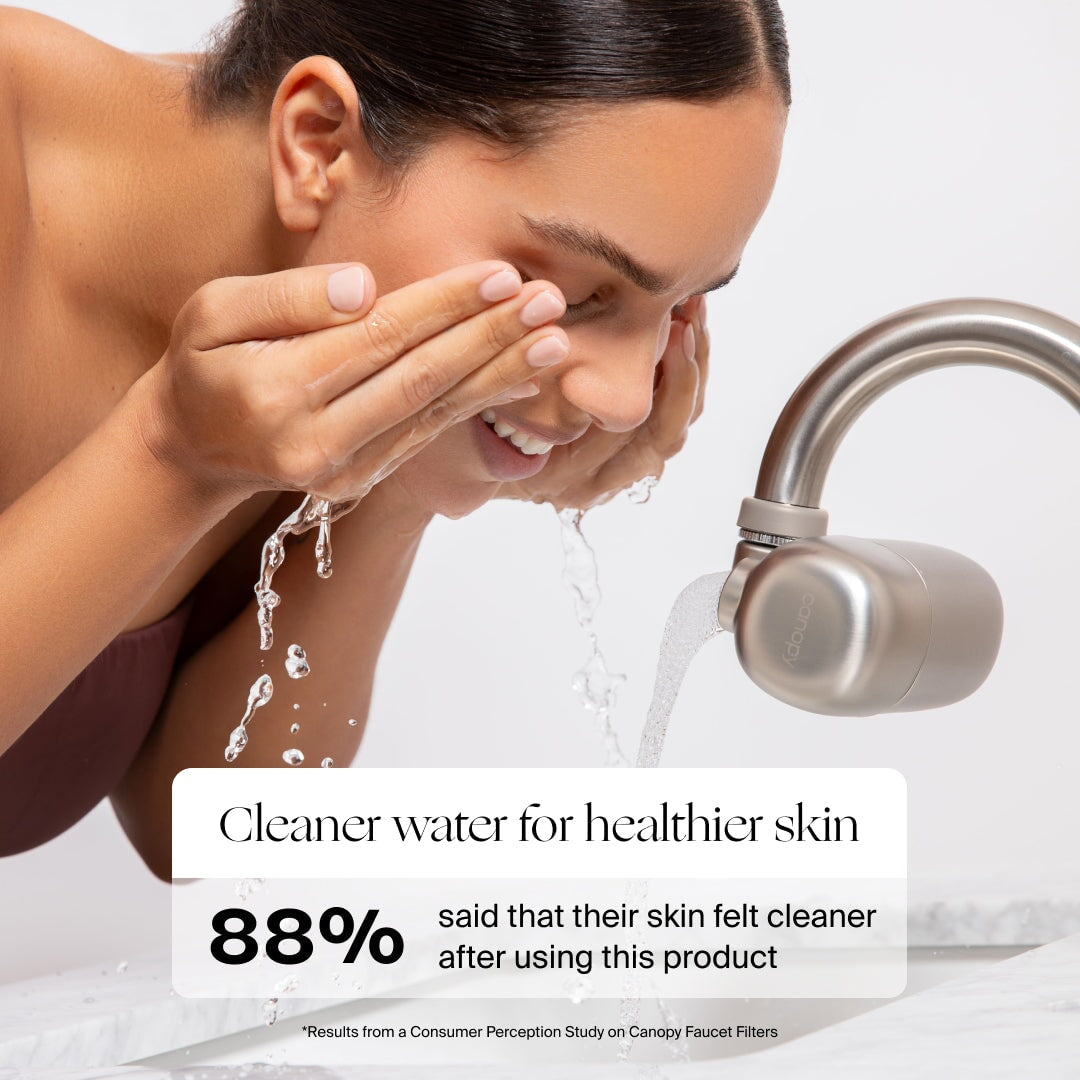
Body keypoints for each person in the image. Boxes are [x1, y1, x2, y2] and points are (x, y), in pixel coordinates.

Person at [0, 0, 789, 876]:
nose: (627, 402)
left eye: (676, 307)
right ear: (319, 144)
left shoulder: (324, 324)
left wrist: (400, 465)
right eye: (573, 294)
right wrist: (170, 458)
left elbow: (210, 833)